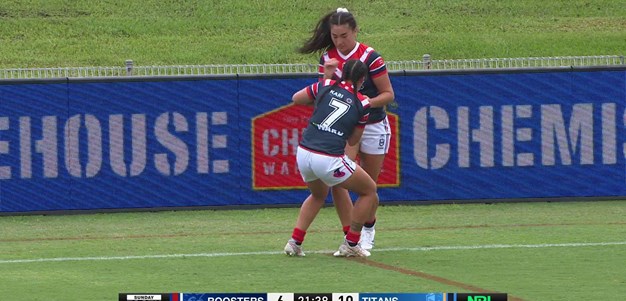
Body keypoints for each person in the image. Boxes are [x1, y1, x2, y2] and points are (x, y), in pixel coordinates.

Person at [298, 7, 395, 251]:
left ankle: (368, 228)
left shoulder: (370, 57)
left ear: (355, 31)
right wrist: (327, 78)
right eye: (334, 37)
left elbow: (388, 95)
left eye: (344, 36)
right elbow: (322, 95)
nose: (339, 42)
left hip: (373, 125)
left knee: (368, 186)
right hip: (344, 130)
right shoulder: (328, 58)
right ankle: (350, 238)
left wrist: (361, 104)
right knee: (340, 182)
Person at [284, 59, 378, 257]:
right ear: (362, 79)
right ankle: (351, 243)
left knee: (318, 195)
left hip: (304, 152)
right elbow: (353, 140)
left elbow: (297, 98)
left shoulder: (325, 84)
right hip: (327, 158)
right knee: (369, 190)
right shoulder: (363, 102)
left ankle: (294, 242)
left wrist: (324, 89)